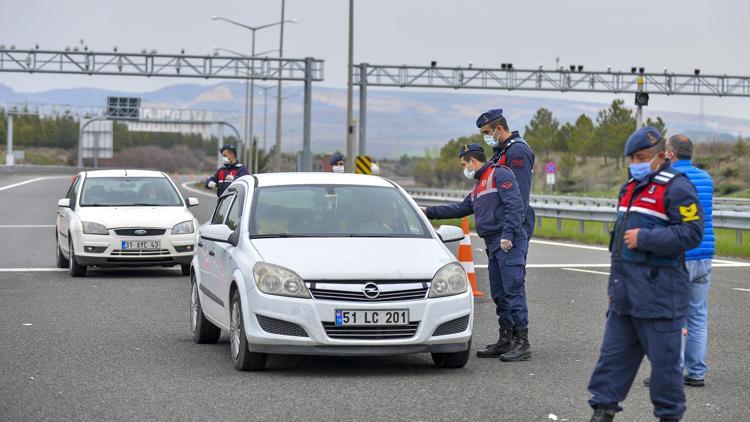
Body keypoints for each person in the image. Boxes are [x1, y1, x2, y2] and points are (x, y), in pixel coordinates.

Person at [587, 127, 704, 422]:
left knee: (665, 374)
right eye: (632, 157)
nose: (636, 162)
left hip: (660, 299)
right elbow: (618, 248)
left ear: (661, 156)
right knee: (610, 366)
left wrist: (647, 239)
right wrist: (614, 290)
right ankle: (602, 413)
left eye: (642, 157)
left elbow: (692, 233)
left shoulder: (677, 187)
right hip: (624, 300)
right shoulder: (628, 188)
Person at [421, 143, 531, 362]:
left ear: (473, 161)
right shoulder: (480, 184)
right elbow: (461, 208)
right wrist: (427, 212)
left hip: (507, 241)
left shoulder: (499, 174)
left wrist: (508, 235)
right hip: (493, 243)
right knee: (500, 293)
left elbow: (515, 205)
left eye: (464, 164)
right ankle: (506, 338)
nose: (464, 168)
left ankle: (522, 342)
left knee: (513, 289)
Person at [666, 134, 714, 387]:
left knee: (672, 316)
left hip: (678, 256)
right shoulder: (706, 179)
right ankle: (696, 373)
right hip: (704, 255)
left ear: (671, 153)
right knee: (698, 316)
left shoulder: (669, 180)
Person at [477, 109, 536, 240]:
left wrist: (510, 231)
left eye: (486, 132)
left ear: (498, 128)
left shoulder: (517, 151)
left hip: (512, 225)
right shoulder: (502, 150)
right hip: (503, 223)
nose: (485, 137)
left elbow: (519, 194)